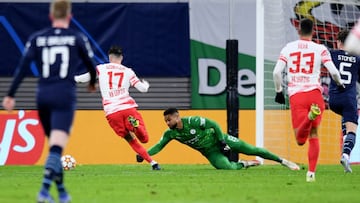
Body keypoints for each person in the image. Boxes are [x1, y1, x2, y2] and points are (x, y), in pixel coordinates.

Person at [1, 0, 97, 202]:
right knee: (56, 147)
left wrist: (10, 94)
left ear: (51, 16)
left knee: (53, 145)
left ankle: (61, 192)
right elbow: (91, 63)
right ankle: (44, 191)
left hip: (42, 96)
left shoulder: (37, 38)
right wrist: (92, 83)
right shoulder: (77, 37)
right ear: (69, 16)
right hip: (64, 96)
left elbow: (22, 67)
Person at [272, 18, 344, 182]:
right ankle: (311, 173)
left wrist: (278, 92)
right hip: (315, 95)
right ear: (313, 32)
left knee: (299, 140)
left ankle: (309, 117)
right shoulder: (320, 49)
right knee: (314, 134)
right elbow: (333, 72)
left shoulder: (289, 47)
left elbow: (276, 72)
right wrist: (340, 85)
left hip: (297, 95)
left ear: (299, 31)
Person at [136, 107, 300, 171]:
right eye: (166, 121)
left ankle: (283, 161)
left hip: (221, 140)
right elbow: (158, 146)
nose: (167, 123)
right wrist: (144, 154)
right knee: (227, 168)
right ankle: (244, 163)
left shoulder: (192, 121)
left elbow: (213, 124)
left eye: (169, 120)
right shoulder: (170, 134)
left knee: (254, 150)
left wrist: (222, 141)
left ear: (177, 117)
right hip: (210, 152)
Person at [91, 45, 160, 170]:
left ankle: (153, 163)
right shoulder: (128, 71)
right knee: (145, 139)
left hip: (112, 112)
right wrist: (146, 85)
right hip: (127, 108)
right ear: (121, 57)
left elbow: (82, 79)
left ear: (109, 57)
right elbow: (143, 89)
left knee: (130, 139)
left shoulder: (100, 69)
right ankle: (135, 126)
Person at [328, 29, 360, 173]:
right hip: (348, 99)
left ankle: (346, 143)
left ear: (339, 42)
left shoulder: (332, 55)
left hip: (333, 100)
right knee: (352, 128)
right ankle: (345, 155)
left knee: (345, 120)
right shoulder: (357, 58)